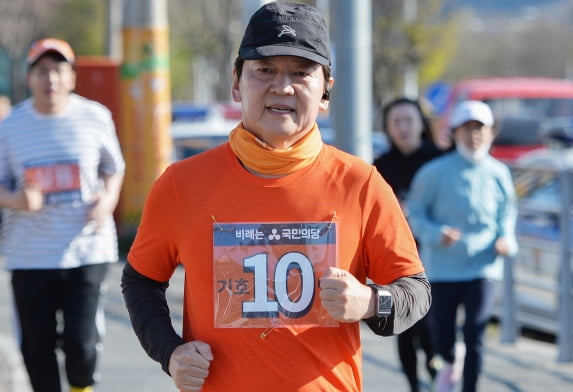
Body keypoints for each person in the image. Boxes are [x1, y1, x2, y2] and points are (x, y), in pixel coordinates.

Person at [121, 2, 431, 391]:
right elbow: (140, 280)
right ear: (236, 82)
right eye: (264, 70)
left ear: (325, 92)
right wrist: (170, 352)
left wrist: (371, 302)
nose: (282, 87)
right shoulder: (181, 183)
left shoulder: (361, 182)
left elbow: (415, 291)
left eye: (301, 73)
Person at [0, 38, 125, 392]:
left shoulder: (95, 117)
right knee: (36, 351)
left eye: (58, 70)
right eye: (42, 71)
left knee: (81, 346)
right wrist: (15, 199)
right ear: (29, 78)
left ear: (71, 77)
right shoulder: (10, 128)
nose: (50, 79)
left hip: (87, 248)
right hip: (30, 254)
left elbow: (113, 168)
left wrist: (108, 199)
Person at [407, 100, 518, 392]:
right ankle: (449, 361)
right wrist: (436, 233)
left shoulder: (499, 173)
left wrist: (506, 238)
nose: (474, 135)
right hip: (443, 267)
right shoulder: (433, 172)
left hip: (484, 263)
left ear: (491, 133)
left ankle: (470, 387)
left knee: (476, 330)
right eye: (467, 129)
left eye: (480, 129)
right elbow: (415, 212)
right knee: (441, 334)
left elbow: (507, 212)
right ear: (454, 133)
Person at [373, 97, 443, 392]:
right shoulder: (380, 167)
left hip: (437, 257)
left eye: (408, 120)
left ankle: (437, 375)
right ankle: (414, 385)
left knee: (431, 327)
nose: (402, 128)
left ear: (420, 124)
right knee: (403, 325)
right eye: (396, 122)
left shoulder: (438, 159)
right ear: (387, 128)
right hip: (397, 259)